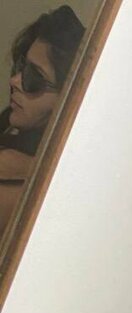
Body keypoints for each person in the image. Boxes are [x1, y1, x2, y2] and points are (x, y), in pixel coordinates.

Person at [0, 6, 85, 235]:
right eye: (21, 67)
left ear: (68, 99)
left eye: (34, 78)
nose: (15, 81)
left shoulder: (30, 176)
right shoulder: (10, 130)